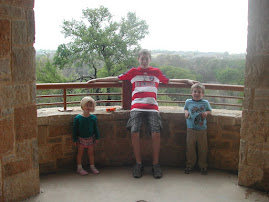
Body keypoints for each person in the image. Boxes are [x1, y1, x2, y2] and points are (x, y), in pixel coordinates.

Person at [88, 49, 196, 179]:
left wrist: (186, 80)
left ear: (150, 59)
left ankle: (156, 164)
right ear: (138, 59)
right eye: (142, 58)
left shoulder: (156, 72)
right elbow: (116, 78)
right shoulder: (133, 72)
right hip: (137, 107)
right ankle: (138, 164)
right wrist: (96, 80)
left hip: (152, 107)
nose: (144, 61)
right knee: (134, 132)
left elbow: (170, 80)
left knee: (156, 133)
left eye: (147, 58)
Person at [184, 83, 212, 175]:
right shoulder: (188, 101)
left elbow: (210, 111)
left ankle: (203, 166)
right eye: (195, 91)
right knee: (190, 148)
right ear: (191, 93)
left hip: (202, 130)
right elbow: (185, 108)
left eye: (199, 92)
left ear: (202, 94)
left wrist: (206, 113)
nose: (196, 93)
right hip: (190, 129)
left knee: (203, 149)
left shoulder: (205, 103)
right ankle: (189, 165)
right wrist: (186, 112)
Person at [73, 96, 100, 175]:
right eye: (86, 105)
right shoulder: (78, 118)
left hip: (91, 138)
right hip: (81, 138)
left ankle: (92, 166)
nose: (88, 107)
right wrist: (75, 139)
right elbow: (75, 129)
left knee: (91, 153)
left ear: (93, 107)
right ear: (82, 106)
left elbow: (95, 128)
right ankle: (79, 168)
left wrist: (97, 137)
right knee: (80, 153)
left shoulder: (93, 118)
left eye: (90, 105)